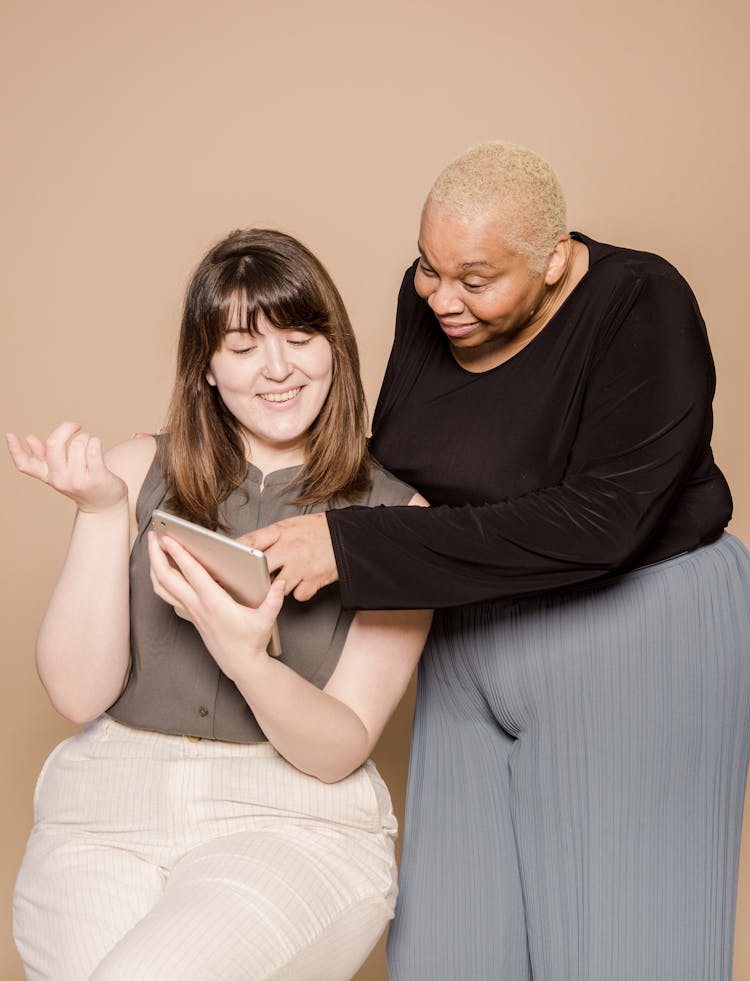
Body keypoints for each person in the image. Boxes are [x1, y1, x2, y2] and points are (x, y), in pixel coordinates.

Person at [244, 143, 750, 981]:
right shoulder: (438, 305)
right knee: (449, 953)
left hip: (635, 627)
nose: (444, 298)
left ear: (554, 260)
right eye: (428, 270)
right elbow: (411, 463)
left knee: (623, 957)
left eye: (476, 279)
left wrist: (352, 545)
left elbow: (603, 523)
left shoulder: (640, 301)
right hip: (469, 628)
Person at [8, 227, 432, 981]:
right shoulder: (136, 468)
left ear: (334, 347)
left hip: (292, 819)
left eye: (300, 337)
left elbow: (339, 745)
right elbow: (77, 691)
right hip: (104, 810)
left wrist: (243, 655)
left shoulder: (399, 515)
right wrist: (102, 513)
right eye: (242, 347)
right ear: (205, 366)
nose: (277, 368)